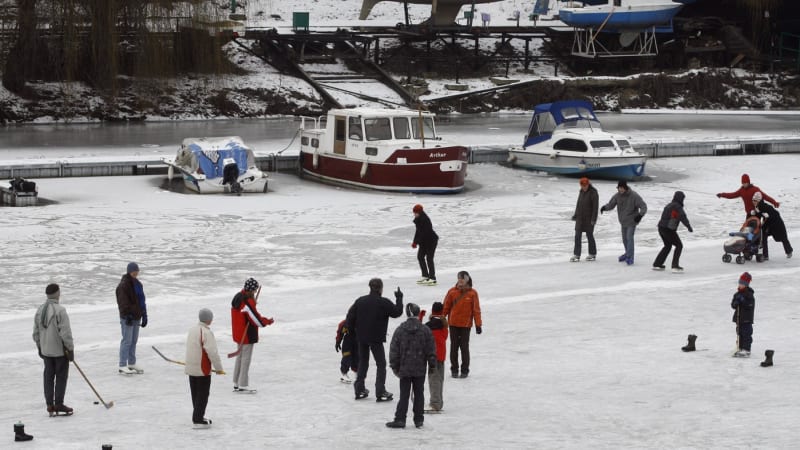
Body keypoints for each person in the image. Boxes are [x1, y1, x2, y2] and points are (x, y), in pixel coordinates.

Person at [345, 278, 404, 401]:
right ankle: (380, 391)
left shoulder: (360, 301)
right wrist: (399, 298)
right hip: (376, 338)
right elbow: (397, 312)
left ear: (370, 287)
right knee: (381, 364)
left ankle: (359, 389)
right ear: (381, 288)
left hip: (361, 337)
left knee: (363, 362)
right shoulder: (383, 302)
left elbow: (349, 317)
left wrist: (352, 333)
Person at [386, 303, 437, 429]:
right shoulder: (425, 330)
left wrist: (394, 365)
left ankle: (400, 419)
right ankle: (419, 419)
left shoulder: (400, 330)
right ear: (418, 313)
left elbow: (394, 350)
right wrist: (432, 364)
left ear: (407, 314)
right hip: (420, 368)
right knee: (419, 393)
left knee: (404, 394)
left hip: (404, 368)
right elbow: (431, 349)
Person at [33, 283, 75, 417]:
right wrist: (70, 349)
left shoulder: (40, 310)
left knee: (48, 377)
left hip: (46, 351)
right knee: (61, 377)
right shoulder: (60, 310)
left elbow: (36, 333)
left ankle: (50, 404)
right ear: (57, 294)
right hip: (59, 351)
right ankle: (59, 404)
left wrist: (40, 347)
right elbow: (65, 333)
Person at [230, 277, 274, 393]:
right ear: (251, 290)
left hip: (238, 333)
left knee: (239, 357)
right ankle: (242, 385)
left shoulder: (238, 297)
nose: (255, 292)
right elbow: (256, 320)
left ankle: (236, 382)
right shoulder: (247, 301)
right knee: (245, 359)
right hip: (246, 335)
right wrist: (267, 321)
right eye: (254, 290)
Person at [185, 308, 225, 427]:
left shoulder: (192, 330)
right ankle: (197, 419)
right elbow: (212, 352)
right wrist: (218, 368)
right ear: (209, 320)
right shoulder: (206, 332)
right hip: (202, 368)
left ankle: (198, 415)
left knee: (195, 393)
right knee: (203, 394)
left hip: (191, 366)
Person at [442, 271, 482, 378]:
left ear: (467, 280)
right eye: (459, 278)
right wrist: (440, 318)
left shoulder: (473, 293)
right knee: (453, 348)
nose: (460, 280)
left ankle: (465, 370)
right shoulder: (452, 292)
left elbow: (476, 310)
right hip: (453, 324)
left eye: (462, 278)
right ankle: (454, 370)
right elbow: (445, 307)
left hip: (465, 325)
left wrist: (478, 324)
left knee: (464, 348)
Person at [600, 180, 647, 265]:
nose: (620, 190)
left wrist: (640, 216)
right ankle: (627, 253)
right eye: (619, 188)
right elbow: (611, 205)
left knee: (629, 238)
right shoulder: (617, 196)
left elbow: (644, 206)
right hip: (623, 221)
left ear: (625, 187)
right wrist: (604, 208)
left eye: (622, 188)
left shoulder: (634, 196)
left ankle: (630, 257)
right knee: (625, 239)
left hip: (632, 221)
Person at [116, 262, 147, 375]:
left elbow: (142, 301)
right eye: (134, 272)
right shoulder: (123, 285)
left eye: (137, 272)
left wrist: (144, 315)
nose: (135, 273)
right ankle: (122, 364)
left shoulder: (138, 284)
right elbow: (122, 302)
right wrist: (126, 315)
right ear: (129, 271)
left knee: (134, 341)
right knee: (127, 341)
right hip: (127, 318)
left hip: (137, 317)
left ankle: (131, 363)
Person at [652, 191, 694, 272]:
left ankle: (657, 264)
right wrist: (688, 226)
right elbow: (682, 216)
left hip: (661, 228)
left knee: (667, 246)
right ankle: (675, 266)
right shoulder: (677, 206)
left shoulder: (669, 205)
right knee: (679, 245)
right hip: (668, 229)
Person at [751, 191, 793, 259]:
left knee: (783, 238)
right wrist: (753, 214)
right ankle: (765, 255)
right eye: (753, 200)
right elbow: (759, 216)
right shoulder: (757, 207)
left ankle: (789, 251)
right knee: (763, 237)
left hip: (777, 224)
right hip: (768, 225)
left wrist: (765, 215)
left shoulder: (766, 207)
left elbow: (774, 215)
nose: (753, 202)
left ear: (759, 200)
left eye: (755, 200)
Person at [425, 301, 448, 412]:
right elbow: (444, 337)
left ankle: (435, 404)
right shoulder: (444, 325)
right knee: (440, 379)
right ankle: (439, 402)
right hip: (441, 356)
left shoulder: (429, 326)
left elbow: (422, 336)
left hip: (432, 356)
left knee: (433, 379)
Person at [570, 177, 599, 262]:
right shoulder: (581, 191)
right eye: (582, 185)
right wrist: (575, 215)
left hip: (589, 218)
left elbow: (595, 207)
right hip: (580, 218)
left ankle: (592, 253)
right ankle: (577, 254)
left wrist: (594, 219)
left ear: (588, 184)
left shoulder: (593, 192)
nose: (584, 187)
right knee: (577, 235)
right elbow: (578, 204)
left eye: (585, 185)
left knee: (589, 235)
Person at [412, 204, 439, 286]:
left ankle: (432, 278)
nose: (414, 214)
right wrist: (415, 242)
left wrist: (418, 241)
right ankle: (425, 276)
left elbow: (426, 233)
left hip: (431, 241)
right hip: (424, 241)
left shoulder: (425, 219)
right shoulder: (418, 219)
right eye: (414, 212)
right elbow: (418, 232)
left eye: (415, 212)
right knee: (420, 257)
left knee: (429, 258)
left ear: (419, 212)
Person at [731, 272, 755, 358]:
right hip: (739, 319)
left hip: (746, 319)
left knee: (746, 334)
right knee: (739, 333)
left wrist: (743, 301)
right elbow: (733, 306)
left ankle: (746, 350)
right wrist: (736, 302)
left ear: (746, 284)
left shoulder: (749, 294)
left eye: (742, 283)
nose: (740, 285)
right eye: (739, 283)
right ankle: (740, 348)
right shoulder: (737, 294)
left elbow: (750, 305)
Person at [335, 318, 358, 383]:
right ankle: (344, 374)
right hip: (348, 342)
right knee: (347, 357)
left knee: (357, 357)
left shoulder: (364, 320)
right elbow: (340, 331)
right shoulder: (346, 322)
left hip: (358, 341)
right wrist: (338, 342)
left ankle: (356, 373)